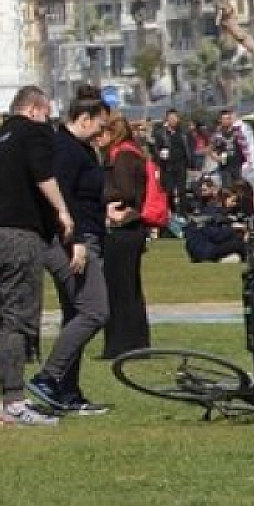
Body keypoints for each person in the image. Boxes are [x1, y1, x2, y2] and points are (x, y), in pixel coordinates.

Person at [0, 87, 74, 427]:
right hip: (20, 235)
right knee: (19, 318)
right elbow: (42, 174)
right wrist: (62, 211)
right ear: (34, 109)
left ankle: (8, 396)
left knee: (2, 319)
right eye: (46, 112)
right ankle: (15, 402)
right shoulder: (32, 133)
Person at [26, 89, 112, 416]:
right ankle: (49, 376)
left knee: (76, 315)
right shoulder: (65, 149)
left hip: (86, 235)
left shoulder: (82, 150)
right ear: (84, 119)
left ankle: (68, 391)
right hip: (76, 240)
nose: (103, 133)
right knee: (95, 311)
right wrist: (75, 239)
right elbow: (62, 197)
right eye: (100, 126)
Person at [101, 115, 152, 360]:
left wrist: (103, 197)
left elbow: (125, 191)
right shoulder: (136, 153)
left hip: (123, 226)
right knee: (130, 288)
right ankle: (136, 341)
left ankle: (121, 343)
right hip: (134, 227)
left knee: (119, 288)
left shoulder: (121, 156)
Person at [151, 109, 191, 219]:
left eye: (175, 118)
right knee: (169, 190)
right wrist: (160, 155)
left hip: (180, 164)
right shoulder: (160, 133)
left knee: (182, 190)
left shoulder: (183, 133)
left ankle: (183, 213)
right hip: (167, 166)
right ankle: (171, 211)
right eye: (171, 118)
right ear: (167, 119)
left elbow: (188, 147)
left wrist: (189, 161)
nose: (173, 120)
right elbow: (155, 149)